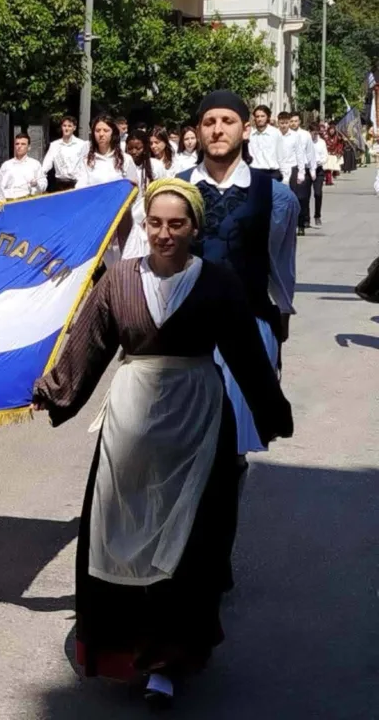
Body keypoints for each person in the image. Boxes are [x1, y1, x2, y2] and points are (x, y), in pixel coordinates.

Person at [32, 178, 292, 707]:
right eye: (155, 223)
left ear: (194, 228)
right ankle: (123, 650)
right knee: (120, 530)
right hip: (129, 421)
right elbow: (90, 342)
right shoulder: (120, 280)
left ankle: (167, 664)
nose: (164, 234)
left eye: (176, 224)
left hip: (196, 421)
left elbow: (245, 353)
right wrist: (54, 390)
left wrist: (272, 412)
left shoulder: (218, 283)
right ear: (142, 225)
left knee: (189, 542)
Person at [177, 91, 298, 571]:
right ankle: (184, 544)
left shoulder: (276, 195)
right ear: (199, 129)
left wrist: (279, 328)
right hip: (186, 333)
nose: (218, 129)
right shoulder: (176, 187)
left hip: (248, 329)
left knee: (230, 453)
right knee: (185, 445)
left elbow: (280, 267)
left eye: (228, 120)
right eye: (209, 120)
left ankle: (217, 551)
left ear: (245, 128)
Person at [122, 130, 169, 260]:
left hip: (147, 216)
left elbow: (163, 191)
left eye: (138, 148)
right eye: (130, 148)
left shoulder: (156, 165)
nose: (134, 152)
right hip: (127, 216)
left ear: (145, 148)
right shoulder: (122, 165)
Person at [289, 112, 317, 234]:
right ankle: (292, 223)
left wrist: (312, 169)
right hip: (289, 169)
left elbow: (310, 153)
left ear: (299, 122)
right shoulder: (285, 135)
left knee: (302, 198)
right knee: (290, 198)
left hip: (303, 170)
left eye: (296, 121)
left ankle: (302, 223)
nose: (293, 123)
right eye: (291, 121)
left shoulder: (305, 135)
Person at [42, 116, 85, 192]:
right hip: (60, 184)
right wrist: (40, 176)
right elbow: (46, 165)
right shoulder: (54, 145)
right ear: (61, 127)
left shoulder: (82, 145)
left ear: (74, 128)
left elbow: (86, 164)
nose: (66, 128)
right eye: (64, 126)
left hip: (77, 184)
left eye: (69, 126)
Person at [0, 132, 47, 200]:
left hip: (27, 201)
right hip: (8, 201)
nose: (19, 146)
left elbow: (43, 184)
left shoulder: (35, 164)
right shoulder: (6, 165)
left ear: (29, 147)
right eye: (17, 144)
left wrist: (36, 184)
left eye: (23, 144)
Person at [248, 105, 283, 182]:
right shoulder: (250, 135)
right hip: (254, 173)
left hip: (272, 174)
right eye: (257, 116)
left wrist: (285, 176)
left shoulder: (275, 133)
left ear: (268, 117)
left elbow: (282, 155)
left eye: (262, 116)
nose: (260, 119)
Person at [276, 111, 305, 190]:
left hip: (292, 168)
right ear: (278, 123)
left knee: (292, 194)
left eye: (286, 123)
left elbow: (299, 154)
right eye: (282, 123)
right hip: (277, 169)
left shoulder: (295, 136)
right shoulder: (274, 134)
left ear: (289, 122)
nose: (284, 125)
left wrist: (301, 172)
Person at [311, 123, 328, 226]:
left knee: (318, 193)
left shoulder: (321, 142)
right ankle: (305, 218)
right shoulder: (305, 141)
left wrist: (320, 162)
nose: (315, 134)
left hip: (318, 169)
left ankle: (317, 215)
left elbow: (325, 156)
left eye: (317, 132)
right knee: (304, 195)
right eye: (313, 132)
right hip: (307, 169)